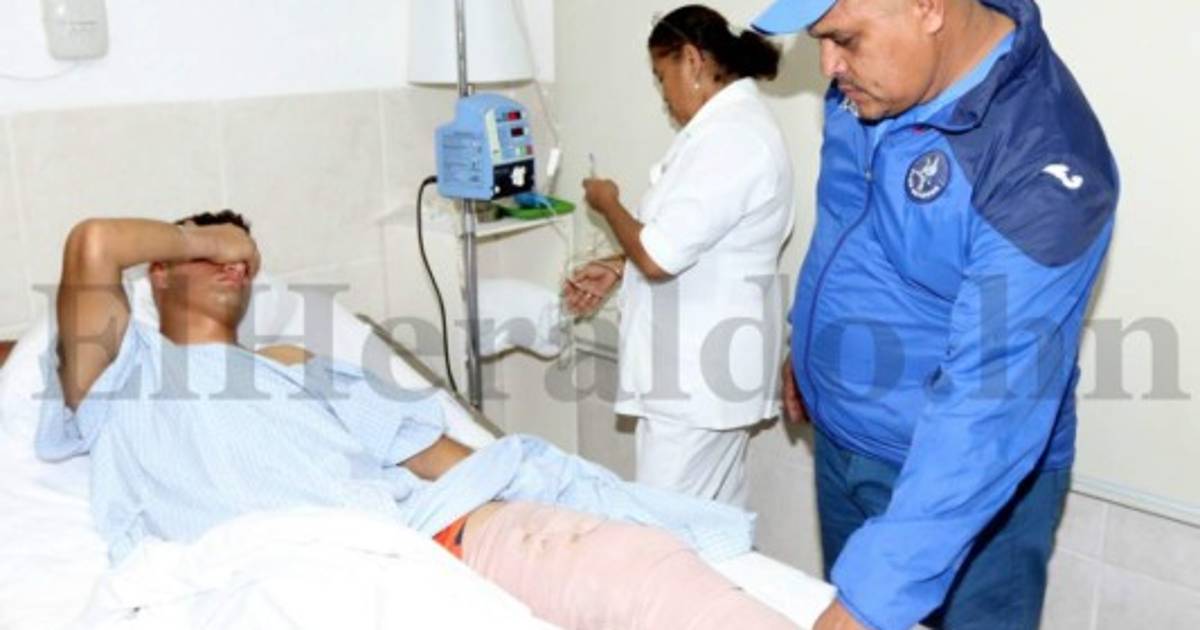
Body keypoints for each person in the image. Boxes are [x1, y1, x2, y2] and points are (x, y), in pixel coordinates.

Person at [37, 211, 796, 630]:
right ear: (157, 273)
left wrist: (532, 503)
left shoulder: (298, 363)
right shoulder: (122, 372)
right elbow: (92, 243)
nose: (236, 264)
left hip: (416, 542)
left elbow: (436, 454)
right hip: (285, 579)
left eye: (245, 259)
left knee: (636, 567)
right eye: (208, 257)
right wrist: (215, 236)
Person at [750, 0, 1118, 628]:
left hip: (963, 485)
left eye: (844, 39)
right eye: (819, 39)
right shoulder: (871, 83)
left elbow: (992, 402)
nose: (828, 65)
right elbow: (845, 218)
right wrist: (809, 343)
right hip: (843, 441)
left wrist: (868, 600)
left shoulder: (1044, 158)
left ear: (926, 6)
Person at [566, 4, 795, 508]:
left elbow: (658, 256)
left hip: (697, 380)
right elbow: (693, 241)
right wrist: (617, 266)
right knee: (712, 528)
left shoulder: (733, 139)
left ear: (692, 60)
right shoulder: (727, 132)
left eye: (660, 75)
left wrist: (607, 203)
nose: (663, 94)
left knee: (662, 532)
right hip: (702, 377)